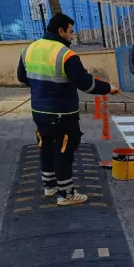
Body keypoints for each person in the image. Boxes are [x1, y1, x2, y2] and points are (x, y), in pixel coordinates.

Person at [17, 13, 119, 205]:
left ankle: (50, 186)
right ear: (61, 31)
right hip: (62, 113)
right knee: (64, 149)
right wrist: (108, 88)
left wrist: (41, 87)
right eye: (71, 32)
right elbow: (85, 83)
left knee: (46, 146)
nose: (73, 37)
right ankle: (66, 194)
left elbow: (22, 78)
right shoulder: (65, 54)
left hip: (39, 111)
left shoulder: (29, 49)